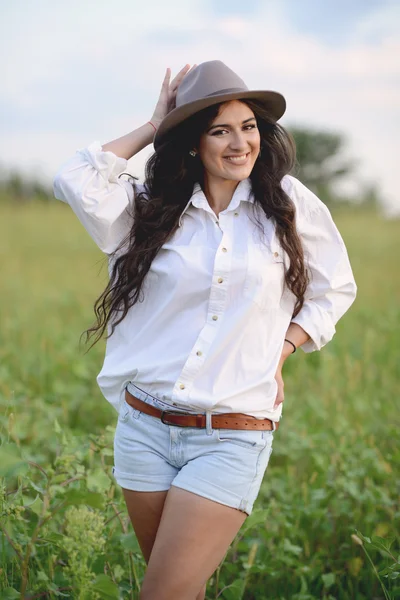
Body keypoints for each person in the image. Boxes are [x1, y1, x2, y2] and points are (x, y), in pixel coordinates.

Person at [53, 60, 357, 600]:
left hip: (231, 433)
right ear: (193, 143)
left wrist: (282, 349)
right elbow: (75, 178)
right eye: (220, 130)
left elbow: (333, 290)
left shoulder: (286, 205)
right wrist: (153, 125)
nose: (241, 143)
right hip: (144, 429)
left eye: (249, 127)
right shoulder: (146, 212)